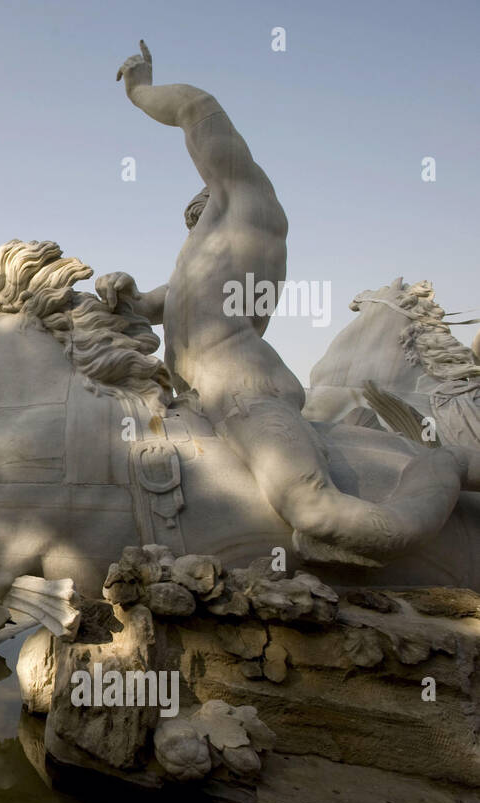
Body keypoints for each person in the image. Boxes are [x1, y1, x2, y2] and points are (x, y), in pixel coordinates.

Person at [101, 41, 464, 566]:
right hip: (194, 399)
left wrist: (140, 91)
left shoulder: (248, 202)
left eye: (198, 211)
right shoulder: (200, 254)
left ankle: (445, 469)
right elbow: (148, 304)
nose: (192, 222)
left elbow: (195, 107)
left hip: (243, 390)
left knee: (313, 512)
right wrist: (120, 290)